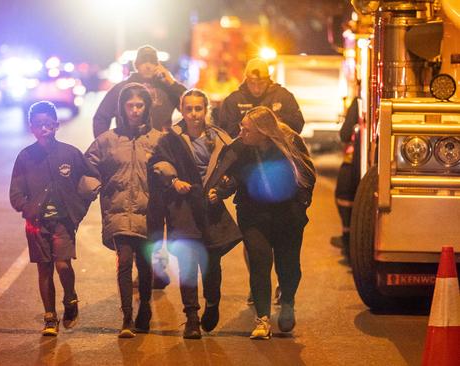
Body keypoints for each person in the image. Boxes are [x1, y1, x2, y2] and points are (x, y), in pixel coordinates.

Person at [210, 106, 315, 340]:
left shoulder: (289, 142)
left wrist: (302, 204)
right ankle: (263, 319)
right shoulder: (240, 148)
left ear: (263, 132)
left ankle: (287, 301)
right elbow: (231, 175)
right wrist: (220, 190)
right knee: (259, 260)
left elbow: (307, 174)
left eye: (246, 130)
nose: (241, 133)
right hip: (253, 214)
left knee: (288, 263)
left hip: (287, 214)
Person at [148, 89, 241, 339]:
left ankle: (212, 304)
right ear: (182, 110)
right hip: (183, 208)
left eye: (198, 109)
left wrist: (221, 190)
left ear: (206, 109)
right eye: (188, 109)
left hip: (210, 209)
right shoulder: (170, 139)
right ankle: (191, 317)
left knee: (211, 264)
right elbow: (158, 163)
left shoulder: (220, 139)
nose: (193, 114)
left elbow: (234, 173)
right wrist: (174, 180)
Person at [10, 101, 99, 337]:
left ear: (56, 125)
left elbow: (92, 178)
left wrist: (77, 208)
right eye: (39, 125)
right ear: (31, 127)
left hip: (64, 221)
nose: (44, 128)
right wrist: (27, 209)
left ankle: (70, 299)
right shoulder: (25, 157)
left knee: (62, 264)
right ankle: (50, 317)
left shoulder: (69, 153)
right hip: (37, 225)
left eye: (48, 124)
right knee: (44, 270)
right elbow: (16, 192)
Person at [85, 83, 163, 338]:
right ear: (122, 108)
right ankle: (127, 317)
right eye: (130, 105)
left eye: (140, 105)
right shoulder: (107, 140)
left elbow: (173, 166)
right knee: (124, 262)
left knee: (145, 263)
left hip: (148, 212)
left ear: (147, 108)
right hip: (118, 210)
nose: (135, 110)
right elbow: (87, 166)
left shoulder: (157, 140)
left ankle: (145, 309)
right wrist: (93, 184)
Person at [218, 58, 305, 138]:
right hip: (244, 152)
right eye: (252, 83)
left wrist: (276, 122)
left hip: (276, 150)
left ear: (268, 80)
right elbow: (226, 130)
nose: (257, 89)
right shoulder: (234, 100)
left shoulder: (283, 96)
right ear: (246, 80)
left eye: (261, 83)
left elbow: (297, 124)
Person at [332, 96, 361, 259]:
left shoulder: (359, 101)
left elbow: (344, 134)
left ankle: (347, 238)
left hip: (354, 163)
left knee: (343, 194)